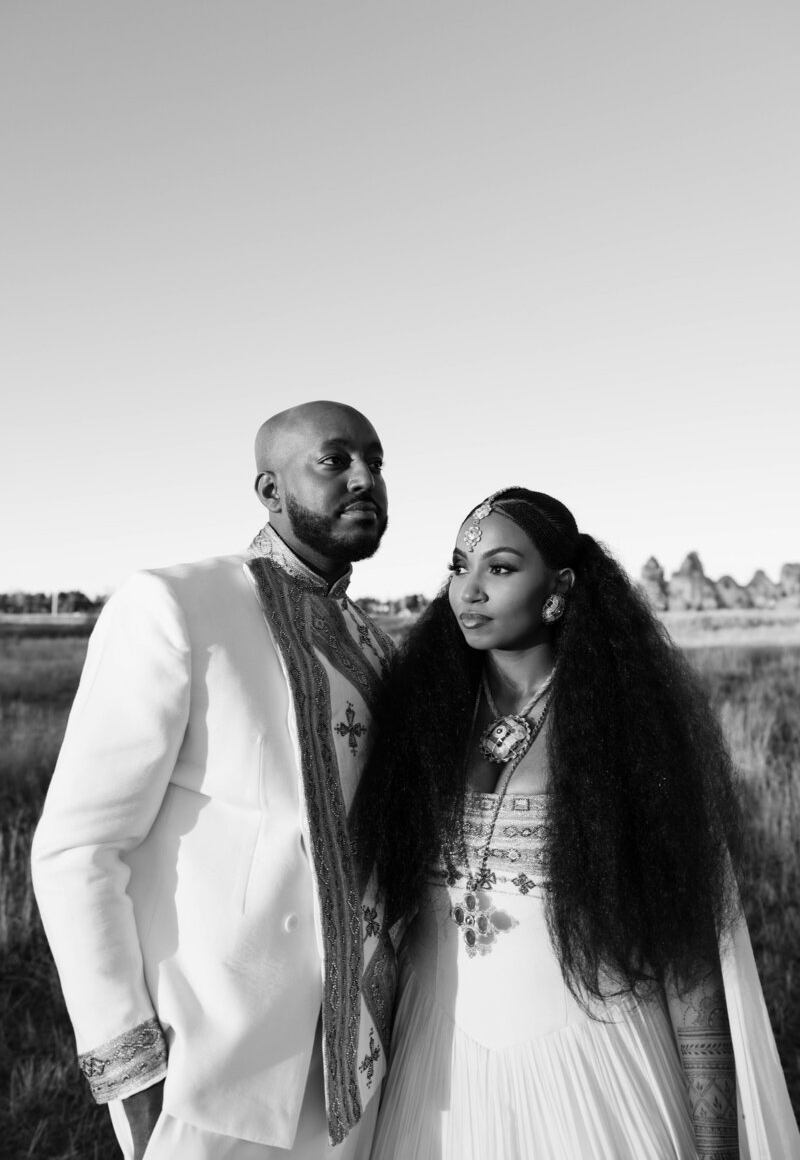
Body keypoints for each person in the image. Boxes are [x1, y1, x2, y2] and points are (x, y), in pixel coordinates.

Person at [355, 487, 800, 1160]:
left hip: (597, 1073)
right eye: (458, 566)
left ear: (559, 587)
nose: (468, 590)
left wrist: (717, 1149)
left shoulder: (621, 729)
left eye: (500, 568)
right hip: (438, 1083)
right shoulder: (422, 720)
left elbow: (686, 958)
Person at [31, 400, 398, 1160]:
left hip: (356, 1081)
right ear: (269, 490)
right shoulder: (176, 605)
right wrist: (132, 1071)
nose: (366, 477)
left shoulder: (374, 642)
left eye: (376, 459)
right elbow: (78, 849)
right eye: (336, 460)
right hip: (215, 1081)